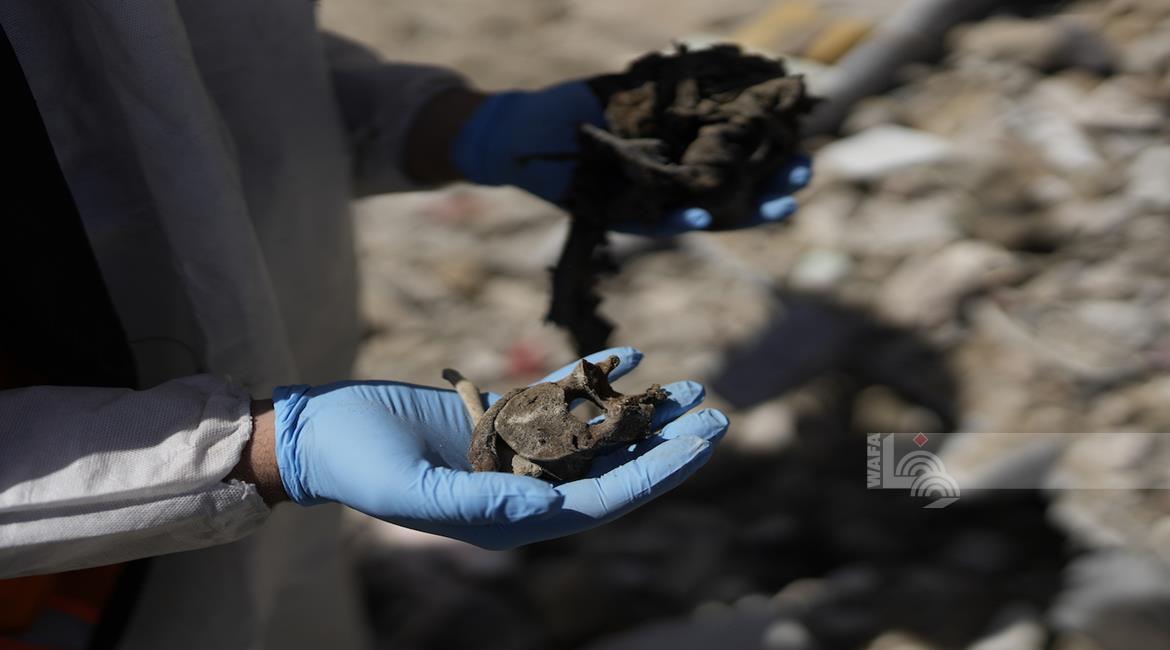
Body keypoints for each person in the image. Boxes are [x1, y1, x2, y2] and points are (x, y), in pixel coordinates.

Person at [0, 2, 811, 648]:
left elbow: (179, 71)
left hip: (280, 433)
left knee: (287, 604)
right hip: (62, 586)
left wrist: (453, 127)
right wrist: (262, 452)